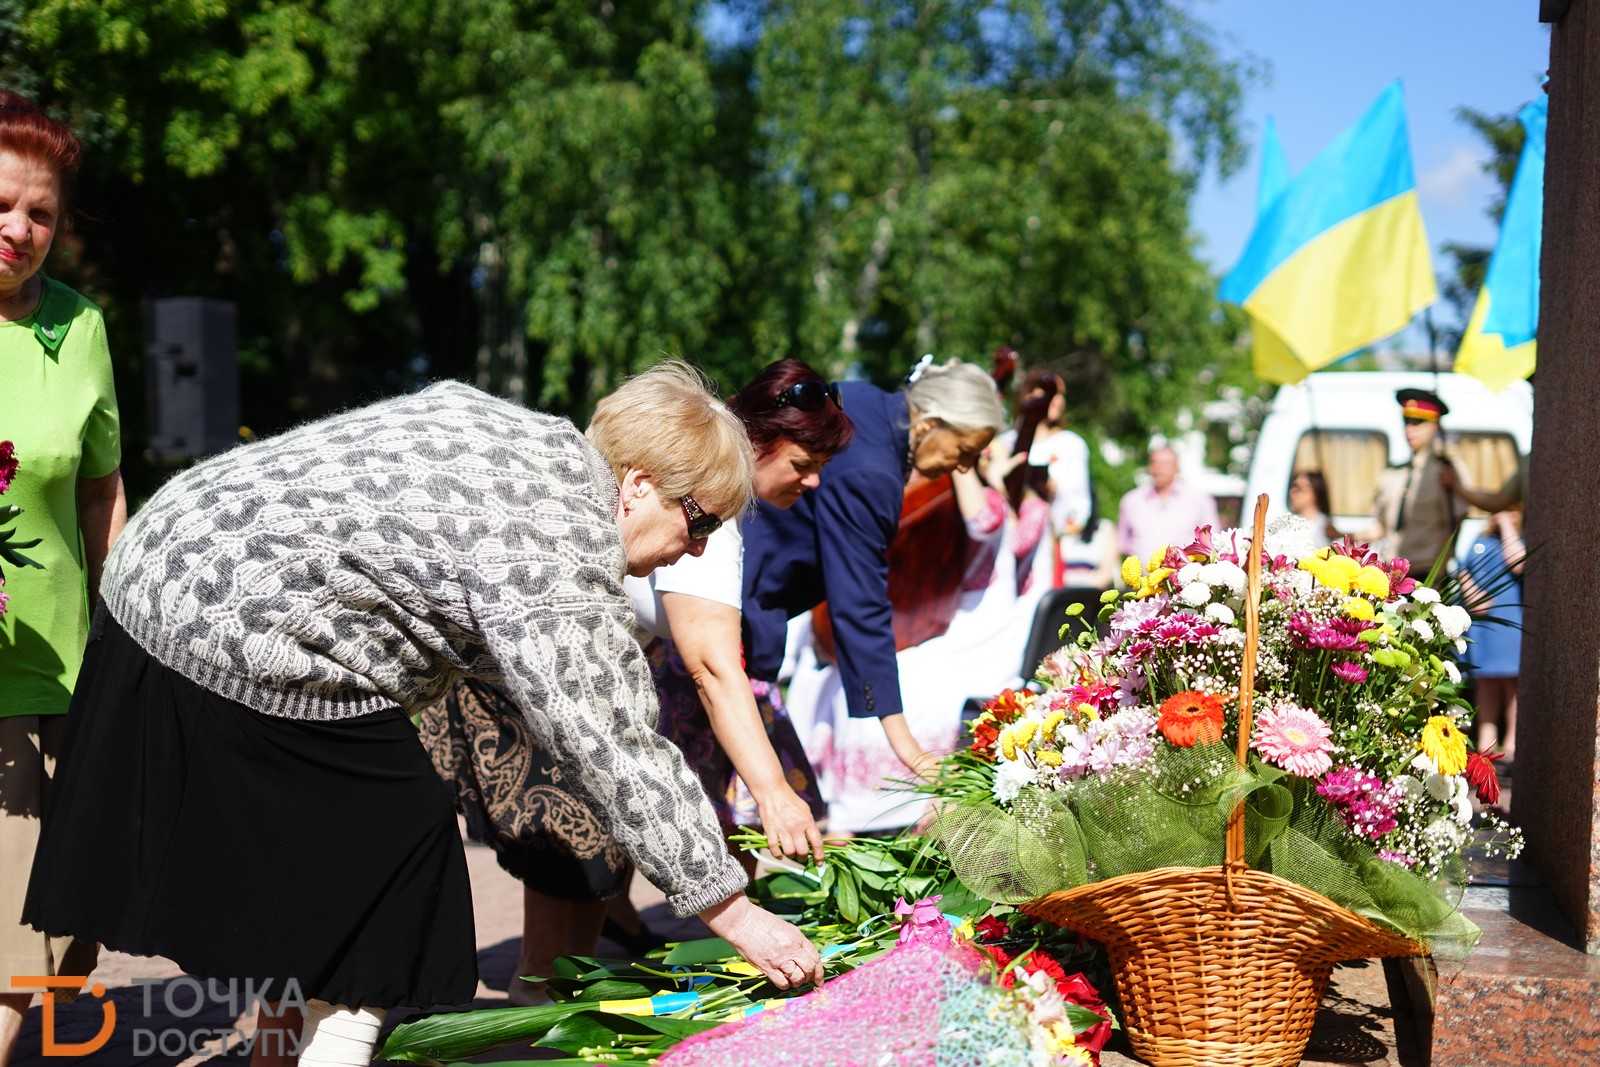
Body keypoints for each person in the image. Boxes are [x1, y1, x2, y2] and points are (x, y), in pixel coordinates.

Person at [23, 364, 823, 1067]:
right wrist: (733, 908)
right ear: (640, 482)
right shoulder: (556, 534)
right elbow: (615, 741)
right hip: (228, 624)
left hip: (160, 573)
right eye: (701, 521)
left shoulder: (536, 444)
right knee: (402, 879)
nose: (695, 549)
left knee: (334, 885)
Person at [419, 358, 852, 1004]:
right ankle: (536, 1004)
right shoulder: (705, 492)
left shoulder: (704, 495)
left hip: (558, 677)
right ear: (760, 441)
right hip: (522, 681)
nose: (813, 481)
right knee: (576, 843)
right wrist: (769, 796)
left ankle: (551, 1003)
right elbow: (710, 663)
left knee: (594, 855)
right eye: (802, 461)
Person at [0, 92, 125, 1067]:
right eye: (3, 205)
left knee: (82, 915)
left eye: (40, 213)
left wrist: (139, 636)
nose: (20, 229)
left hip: (73, 671)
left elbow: (101, 489)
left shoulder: (80, 328)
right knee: (12, 933)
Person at [741, 359, 1007, 777]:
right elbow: (860, 602)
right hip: (741, 613)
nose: (961, 467)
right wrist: (907, 746)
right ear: (930, 425)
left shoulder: (864, 399)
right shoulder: (873, 473)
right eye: (964, 452)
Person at [1370, 388, 1465, 575]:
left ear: (1435, 425)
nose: (1409, 429)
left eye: (1418, 422)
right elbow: (1381, 528)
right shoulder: (1393, 474)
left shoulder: (1447, 470)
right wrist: (1342, 534)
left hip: (1427, 574)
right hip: (1391, 574)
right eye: (1406, 421)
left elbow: (1456, 522)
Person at [1460, 509, 1526, 762]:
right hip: (1484, 623)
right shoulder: (1479, 540)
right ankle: (1487, 740)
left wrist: (1507, 526)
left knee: (1513, 684)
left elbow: (1518, 562)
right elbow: (1463, 569)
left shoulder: (1520, 540)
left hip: (1510, 620)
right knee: (1485, 682)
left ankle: (1513, 741)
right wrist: (1472, 594)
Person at [1115, 445, 1219, 565]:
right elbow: (1121, 544)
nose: (1159, 468)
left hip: (1185, 580)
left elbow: (1212, 543)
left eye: (1165, 464)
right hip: (1142, 580)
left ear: (1177, 467)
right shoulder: (1132, 500)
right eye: (1155, 462)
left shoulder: (1199, 501)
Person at [1288, 469, 1339, 540]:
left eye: (1299, 488)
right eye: (1292, 487)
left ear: (1315, 492)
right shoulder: (1288, 526)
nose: (1292, 492)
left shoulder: (1326, 528)